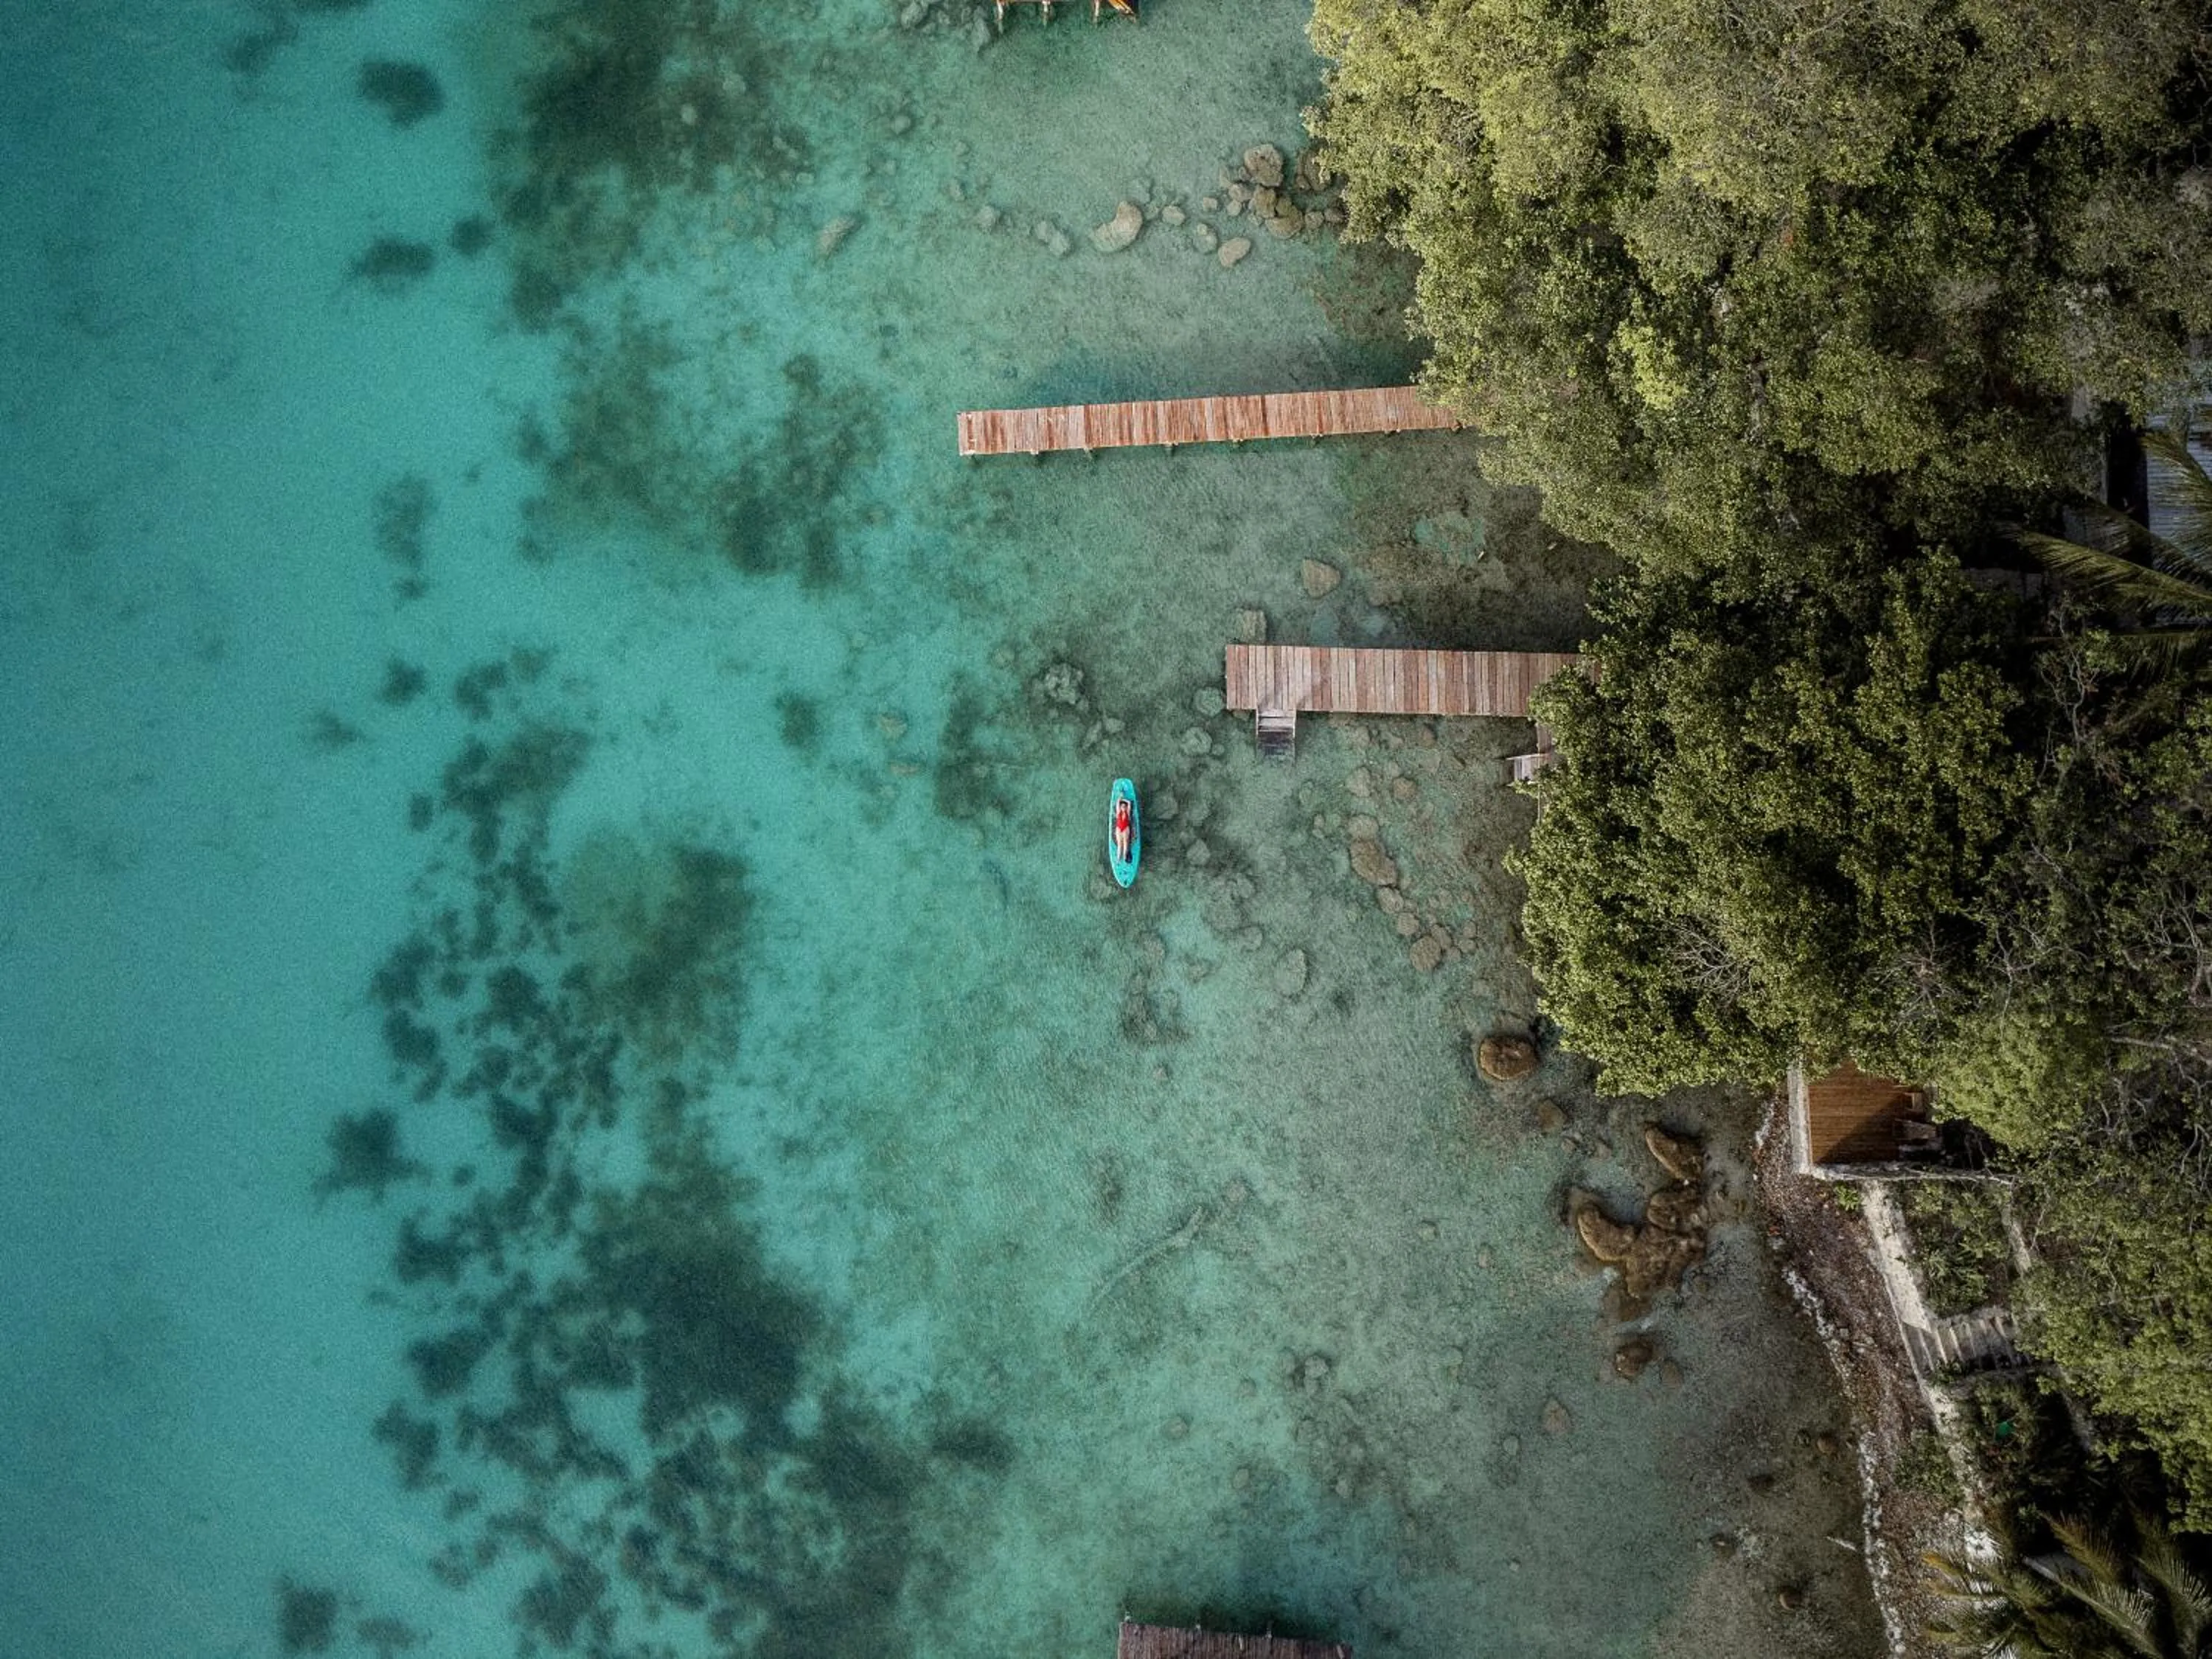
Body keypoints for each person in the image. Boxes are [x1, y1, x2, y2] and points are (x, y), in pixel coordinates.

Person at [1113, 795, 1133, 866]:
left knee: (1126, 843)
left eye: (1125, 806)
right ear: (1121, 807)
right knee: (1120, 844)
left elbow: (1129, 803)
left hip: (1126, 829)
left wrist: (1125, 801)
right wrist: (1121, 798)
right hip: (1119, 828)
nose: (1124, 807)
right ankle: (1118, 859)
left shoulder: (1127, 812)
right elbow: (1118, 802)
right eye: (1122, 806)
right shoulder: (1119, 812)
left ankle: (1125, 858)